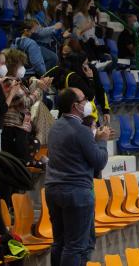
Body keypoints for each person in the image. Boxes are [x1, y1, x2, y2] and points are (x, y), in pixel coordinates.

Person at [45, 88, 111, 266]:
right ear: (75, 106)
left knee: (59, 242)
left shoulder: (55, 126)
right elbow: (99, 161)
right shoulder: (81, 130)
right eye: (84, 99)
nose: (87, 102)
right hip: (76, 192)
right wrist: (102, 140)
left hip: (53, 189)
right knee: (75, 246)